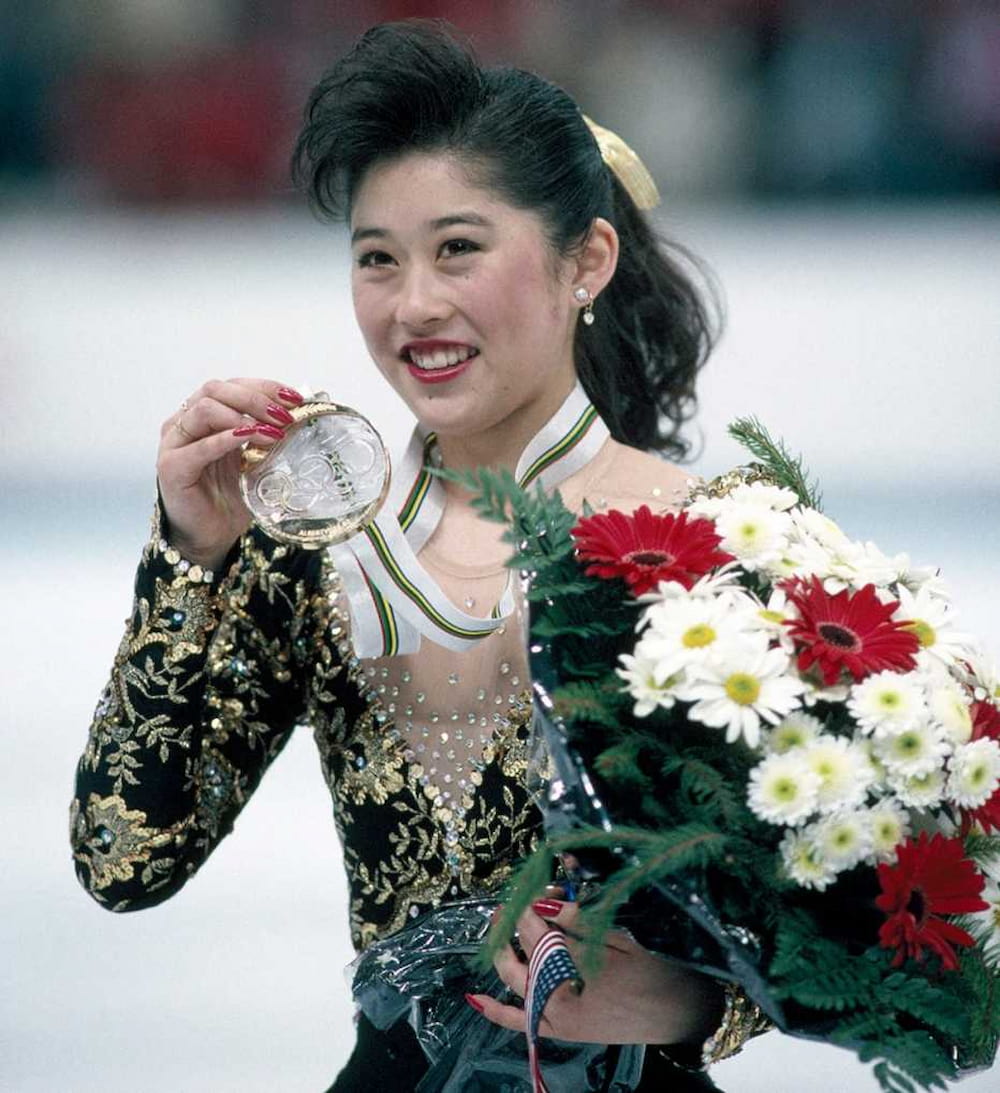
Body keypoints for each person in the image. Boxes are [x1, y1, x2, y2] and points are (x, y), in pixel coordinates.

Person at [70, 21, 768, 1092]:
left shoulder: (714, 540)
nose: (414, 306)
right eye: (377, 259)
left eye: (457, 249)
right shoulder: (307, 544)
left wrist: (699, 1005)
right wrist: (189, 558)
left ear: (585, 258)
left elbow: (833, 902)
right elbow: (125, 859)